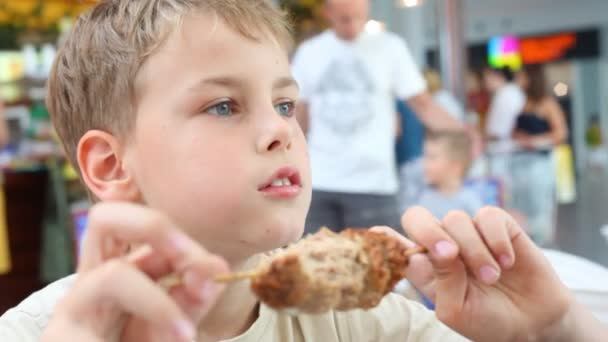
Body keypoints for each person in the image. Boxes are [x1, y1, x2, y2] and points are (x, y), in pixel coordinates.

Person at [0, 1, 606, 341]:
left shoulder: (355, 320)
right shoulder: (42, 334)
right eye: (223, 106)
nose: (282, 130)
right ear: (111, 164)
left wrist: (555, 329)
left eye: (285, 104)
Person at [291, 0, 461, 233]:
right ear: (327, 13)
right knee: (317, 263)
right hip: (321, 182)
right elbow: (300, 115)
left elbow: (423, 105)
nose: (352, 26)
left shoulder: (390, 47)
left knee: (379, 265)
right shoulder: (309, 52)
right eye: (344, 19)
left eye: (358, 17)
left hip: (374, 184)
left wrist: (464, 133)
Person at [511, 64, 568, 245]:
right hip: (520, 163)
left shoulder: (547, 103)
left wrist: (535, 141)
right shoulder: (522, 102)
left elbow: (561, 133)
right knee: (521, 206)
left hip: (540, 163)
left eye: (521, 77)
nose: (518, 81)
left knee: (541, 205)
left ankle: (545, 245)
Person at [417, 130, 482, 219]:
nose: (424, 164)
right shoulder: (424, 196)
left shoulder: (468, 200)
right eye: (425, 156)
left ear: (455, 166)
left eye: (432, 157)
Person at [483, 66, 525, 141]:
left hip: (505, 144)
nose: (485, 83)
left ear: (498, 76)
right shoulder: (505, 92)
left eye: (487, 78)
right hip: (505, 143)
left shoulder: (506, 93)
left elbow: (498, 129)